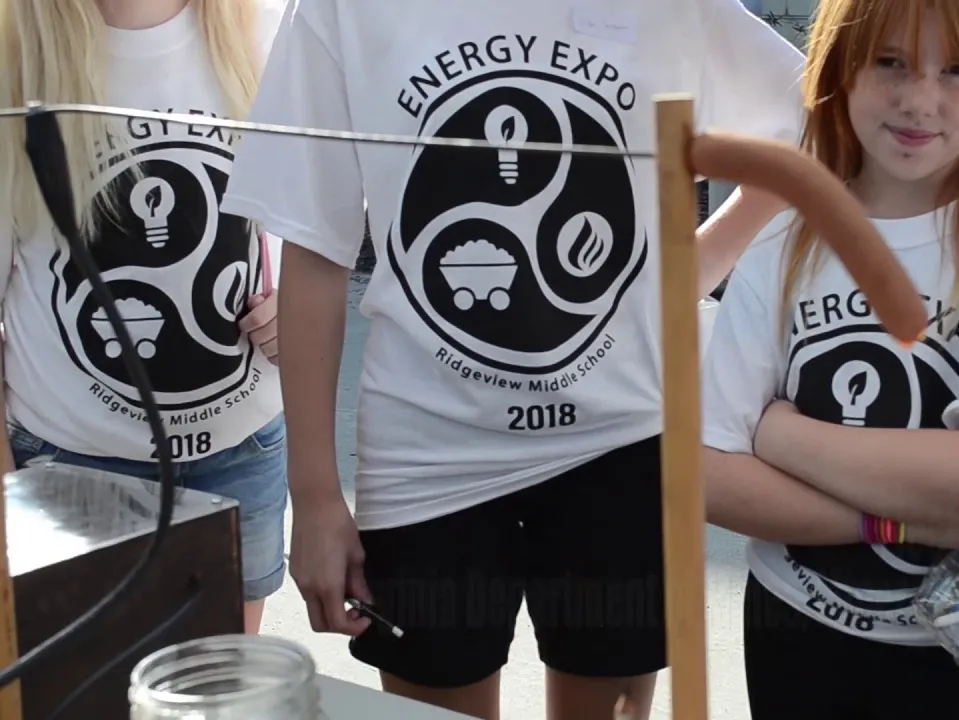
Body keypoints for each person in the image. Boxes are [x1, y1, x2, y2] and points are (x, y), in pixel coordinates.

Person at [218, 0, 802, 717]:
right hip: (428, 458)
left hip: (621, 444)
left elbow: (810, 122)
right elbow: (315, 248)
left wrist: (687, 272)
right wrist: (312, 497)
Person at [700, 0, 959, 718]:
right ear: (841, 68)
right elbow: (706, 479)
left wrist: (778, 435)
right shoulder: (787, 237)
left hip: (955, 657)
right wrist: (901, 523)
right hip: (794, 635)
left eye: (956, 71)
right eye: (890, 62)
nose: (919, 99)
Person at [0, 0, 288, 634]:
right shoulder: (15, 58)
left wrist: (291, 302)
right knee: (80, 682)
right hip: (71, 472)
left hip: (242, 453)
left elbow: (313, 216)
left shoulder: (271, 28)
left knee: (221, 680)